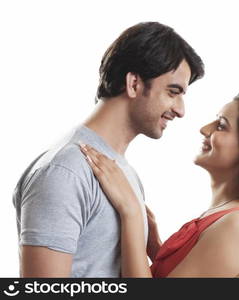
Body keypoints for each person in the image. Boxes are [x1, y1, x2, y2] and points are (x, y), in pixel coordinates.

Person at [12, 22, 204, 277]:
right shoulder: (66, 171)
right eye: (173, 92)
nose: (181, 110)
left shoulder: (124, 175)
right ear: (134, 83)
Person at [79, 90, 239, 278]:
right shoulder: (227, 217)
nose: (204, 129)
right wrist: (156, 248)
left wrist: (131, 212)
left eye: (221, 126)